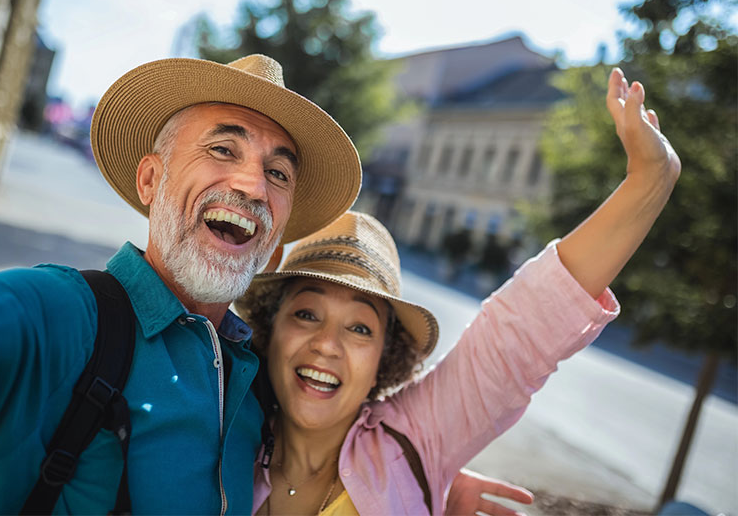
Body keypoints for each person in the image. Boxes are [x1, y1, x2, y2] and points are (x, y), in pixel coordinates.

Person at [0, 54, 363, 515]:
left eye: (277, 173)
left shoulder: (255, 382)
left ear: (276, 238)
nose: (254, 187)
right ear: (150, 180)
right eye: (222, 149)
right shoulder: (62, 315)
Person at [235, 68, 680, 515]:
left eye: (360, 329)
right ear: (270, 329)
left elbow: (523, 330)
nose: (327, 345)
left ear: (384, 361)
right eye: (307, 314)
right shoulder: (215, 437)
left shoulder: (414, 439)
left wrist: (647, 181)